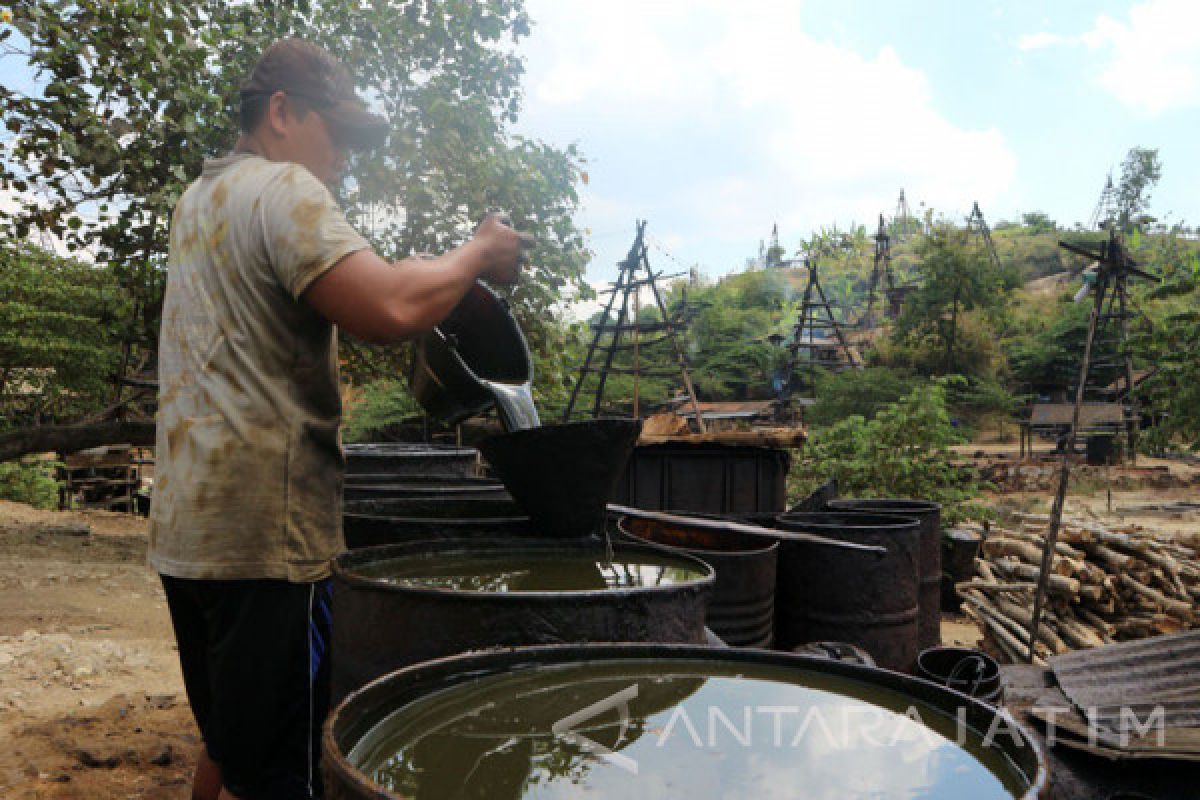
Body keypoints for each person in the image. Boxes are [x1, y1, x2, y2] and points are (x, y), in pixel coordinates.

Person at [148, 38, 532, 800]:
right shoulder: (286, 189)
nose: (345, 159)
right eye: (340, 135)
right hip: (266, 542)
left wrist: (440, 272)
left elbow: (382, 285)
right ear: (284, 113)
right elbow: (388, 308)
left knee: (232, 731)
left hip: (189, 533)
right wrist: (480, 251)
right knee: (282, 770)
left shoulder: (203, 200)